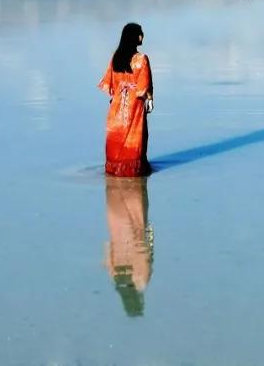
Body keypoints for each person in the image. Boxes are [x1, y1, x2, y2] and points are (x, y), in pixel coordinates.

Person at [97, 23, 154, 177]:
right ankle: (136, 172)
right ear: (134, 37)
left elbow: (111, 85)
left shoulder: (116, 58)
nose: (142, 36)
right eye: (140, 33)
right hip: (134, 105)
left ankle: (114, 171)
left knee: (117, 137)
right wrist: (150, 99)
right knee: (136, 137)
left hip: (116, 106)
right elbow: (144, 86)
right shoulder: (141, 59)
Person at [103, 176, 154, 317]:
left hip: (116, 221)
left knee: (120, 184)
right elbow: (148, 250)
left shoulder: (117, 279)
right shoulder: (139, 280)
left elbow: (108, 252)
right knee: (134, 190)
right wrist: (150, 229)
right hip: (130, 225)